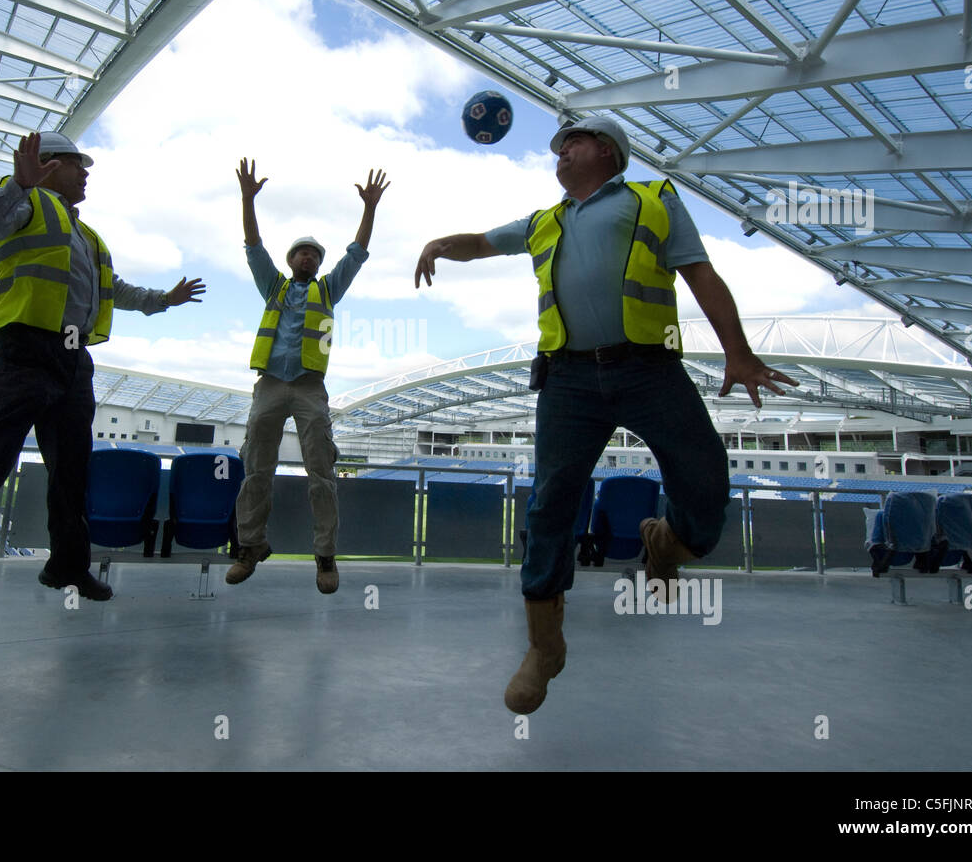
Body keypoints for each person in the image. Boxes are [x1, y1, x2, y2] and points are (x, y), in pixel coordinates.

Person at [414, 115, 798, 714]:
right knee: (550, 505)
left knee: (706, 479)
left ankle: (666, 542)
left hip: (648, 370)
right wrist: (442, 244)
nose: (559, 152)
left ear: (606, 150)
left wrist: (739, 353)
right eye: (558, 147)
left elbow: (701, 274)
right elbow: (484, 243)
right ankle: (544, 647)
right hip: (567, 378)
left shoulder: (653, 199)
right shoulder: (545, 221)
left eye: (571, 142)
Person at [0, 131, 205, 673]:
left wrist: (166, 300)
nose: (86, 173)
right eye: (77, 165)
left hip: (72, 359)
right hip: (24, 348)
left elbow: (118, 291)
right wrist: (18, 182)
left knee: (72, 474)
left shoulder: (87, 235)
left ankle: (66, 566)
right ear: (49, 166)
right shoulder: (25, 200)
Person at [228, 158, 389, 594]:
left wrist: (369, 208)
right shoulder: (274, 287)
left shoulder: (327, 289)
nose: (308, 257)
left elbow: (356, 255)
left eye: (315, 254)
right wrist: (247, 199)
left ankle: (325, 556)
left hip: (309, 388)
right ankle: (251, 546)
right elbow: (253, 245)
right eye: (302, 252)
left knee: (322, 470)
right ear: (291, 259)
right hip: (269, 385)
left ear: (319, 263)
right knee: (255, 466)